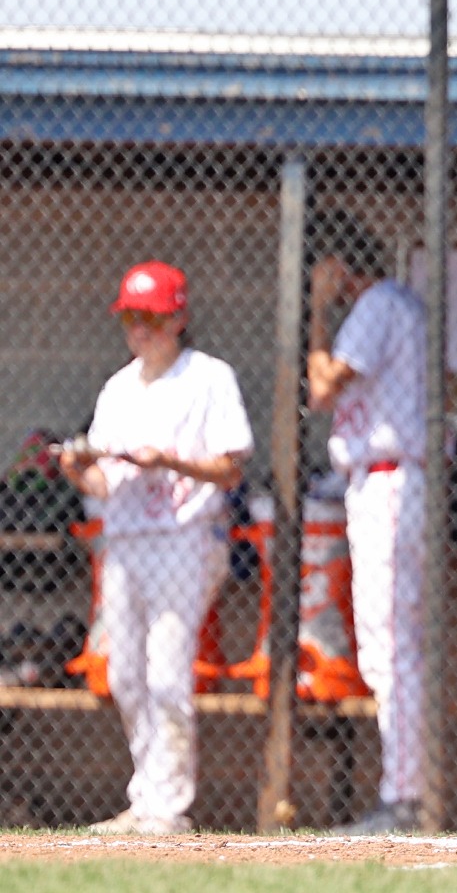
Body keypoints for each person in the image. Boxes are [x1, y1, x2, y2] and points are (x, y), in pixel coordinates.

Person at [58, 261, 252, 834]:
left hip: (184, 537)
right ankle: (146, 797)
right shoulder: (118, 388)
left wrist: (168, 461)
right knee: (123, 676)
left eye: (151, 318)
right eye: (131, 319)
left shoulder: (208, 377)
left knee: (167, 672)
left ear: (177, 318)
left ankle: (169, 807)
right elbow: (101, 484)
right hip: (126, 540)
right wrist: (75, 469)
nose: (139, 331)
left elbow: (231, 470)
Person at [305, 211, 429, 834]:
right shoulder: (392, 304)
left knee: (388, 645)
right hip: (380, 481)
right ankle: (403, 791)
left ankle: (404, 797)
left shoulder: (377, 302)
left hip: (389, 481)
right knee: (389, 643)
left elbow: (322, 384)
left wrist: (319, 309)